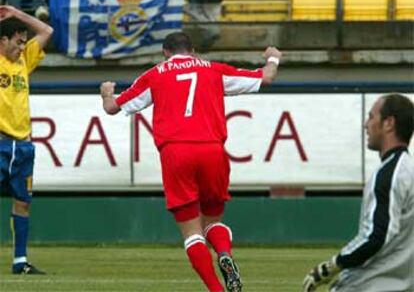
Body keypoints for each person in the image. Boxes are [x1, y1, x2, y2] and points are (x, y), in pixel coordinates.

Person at [100, 32, 281, 292]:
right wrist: (273, 57)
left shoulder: (155, 74)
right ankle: (224, 252)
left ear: (165, 53)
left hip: (176, 152)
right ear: (193, 51)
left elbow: (112, 108)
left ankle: (217, 290)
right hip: (212, 150)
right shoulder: (214, 70)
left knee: (191, 232)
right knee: (213, 221)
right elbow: (266, 77)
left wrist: (106, 93)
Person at [303, 94, 414, 292]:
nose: (366, 125)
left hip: (368, 284)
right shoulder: (408, 169)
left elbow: (376, 236)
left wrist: (331, 266)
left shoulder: (389, 175)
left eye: (371, 117)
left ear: (389, 123)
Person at [0, 5, 53, 274]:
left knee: (23, 202)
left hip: (22, 145)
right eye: (17, 42)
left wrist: (16, 14)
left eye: (24, 42)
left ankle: (20, 261)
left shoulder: (24, 61)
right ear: (3, 41)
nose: (22, 47)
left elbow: (46, 30)